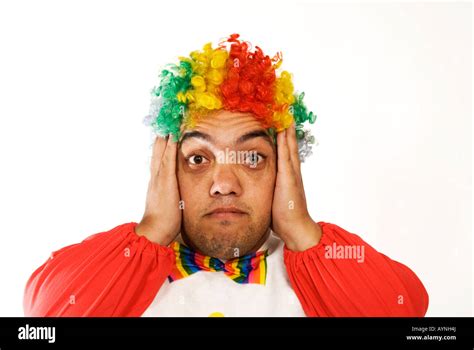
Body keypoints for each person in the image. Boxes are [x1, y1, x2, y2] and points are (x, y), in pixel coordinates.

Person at [23, 34, 429, 317]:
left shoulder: (330, 271)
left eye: (252, 157)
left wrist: (302, 230)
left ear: (285, 168)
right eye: (198, 159)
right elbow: (45, 316)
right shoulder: (116, 268)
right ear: (166, 169)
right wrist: (151, 230)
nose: (224, 184)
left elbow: (404, 308)